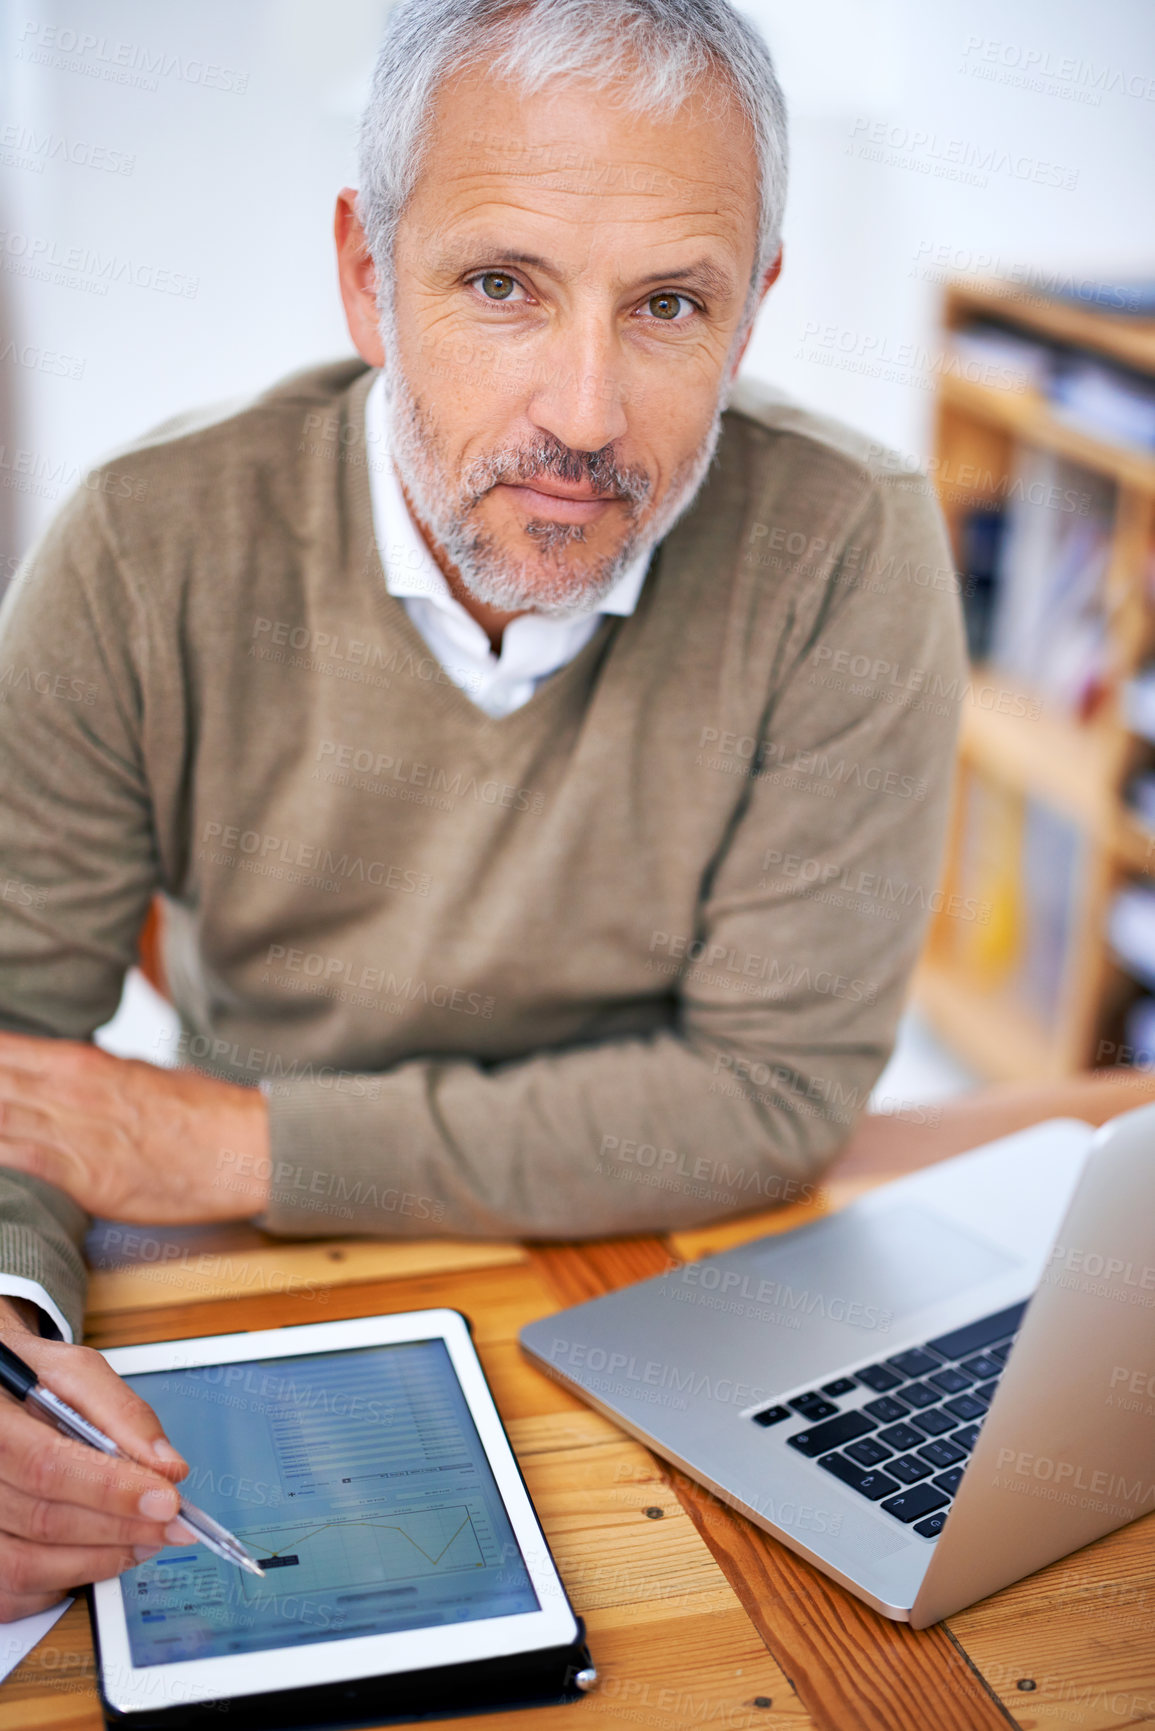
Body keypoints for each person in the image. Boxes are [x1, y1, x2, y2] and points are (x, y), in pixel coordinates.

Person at [0, 0, 965, 1619]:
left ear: (753, 314)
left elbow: (773, 1100)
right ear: (370, 277)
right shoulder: (140, 546)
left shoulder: (850, 552)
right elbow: (13, 1047)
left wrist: (247, 1137)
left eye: (669, 304)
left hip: (671, 1278)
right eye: (503, 285)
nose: (585, 414)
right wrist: (11, 1329)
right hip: (268, 1287)